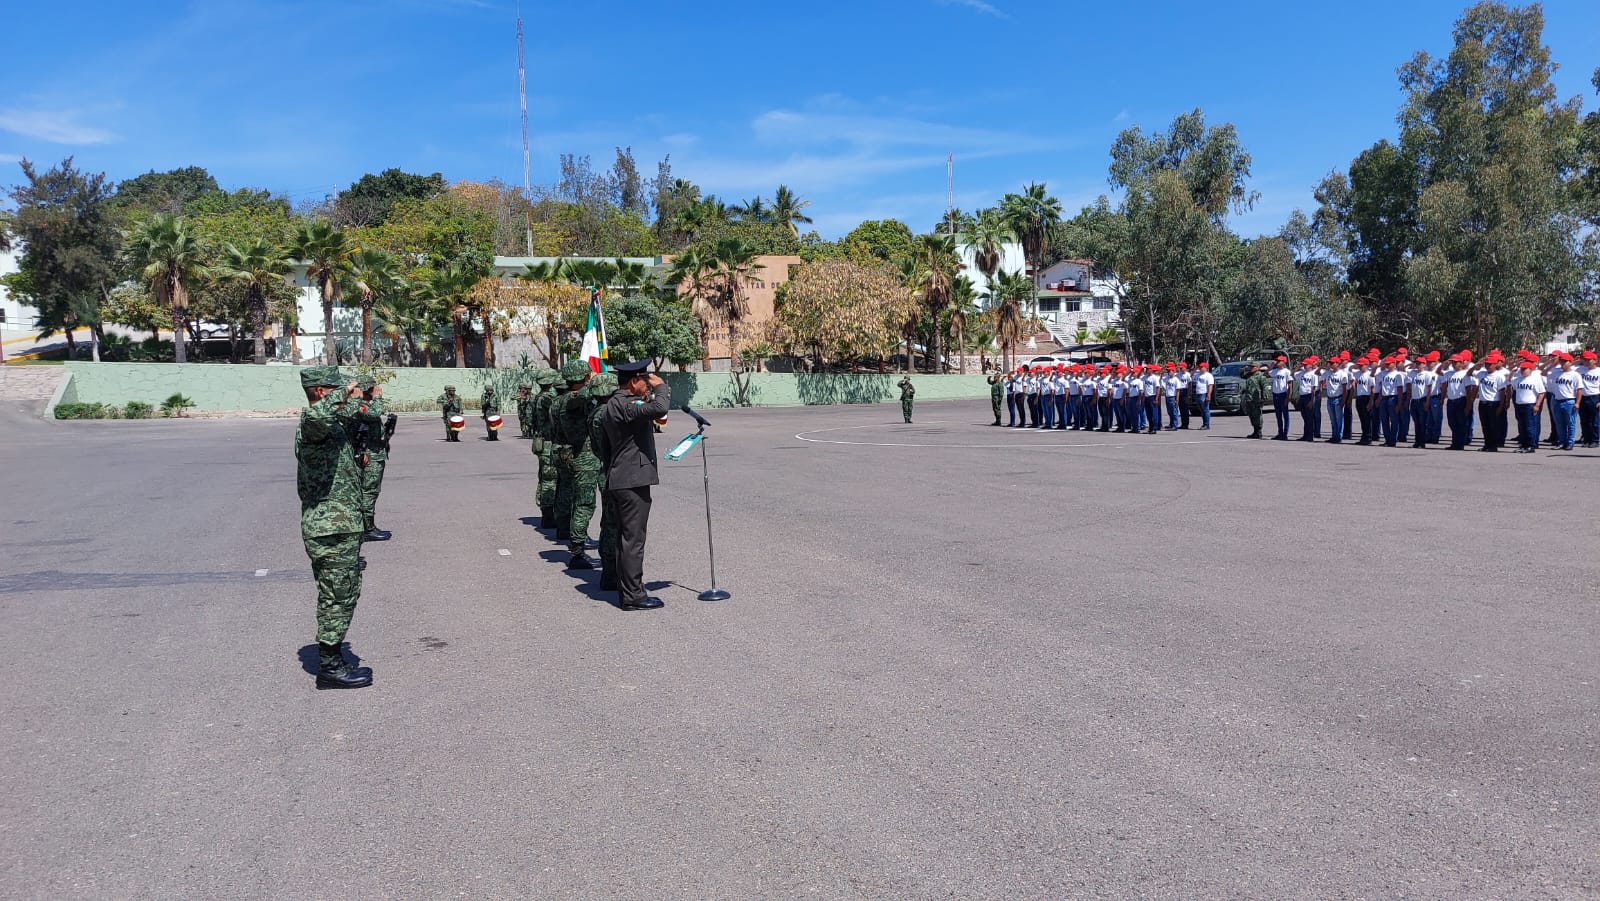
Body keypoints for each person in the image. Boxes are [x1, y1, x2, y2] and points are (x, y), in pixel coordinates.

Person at [296, 366, 379, 690]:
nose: (348, 396)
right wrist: (348, 393)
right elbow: (318, 418)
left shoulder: (335, 427)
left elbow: (367, 416)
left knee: (344, 594)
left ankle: (333, 659)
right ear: (320, 392)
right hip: (329, 528)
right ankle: (330, 667)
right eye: (337, 389)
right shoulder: (312, 423)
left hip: (340, 525)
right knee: (336, 596)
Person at [599, 360, 671, 611]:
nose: (648, 384)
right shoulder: (625, 405)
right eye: (644, 379)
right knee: (633, 539)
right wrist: (662, 387)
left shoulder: (614, 405)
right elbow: (660, 408)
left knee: (627, 539)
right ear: (633, 381)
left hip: (623, 478)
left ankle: (628, 590)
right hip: (631, 480)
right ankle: (633, 596)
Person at [561, 372, 613, 569]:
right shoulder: (570, 400)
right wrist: (597, 386)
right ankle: (577, 550)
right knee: (585, 504)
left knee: (603, 506)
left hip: (590, 457)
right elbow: (580, 397)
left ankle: (590, 549)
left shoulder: (565, 399)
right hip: (586, 457)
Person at [551, 360, 592, 541]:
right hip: (576, 452)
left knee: (564, 489)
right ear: (585, 377)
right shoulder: (571, 399)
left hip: (562, 449)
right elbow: (582, 395)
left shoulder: (556, 400)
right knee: (578, 497)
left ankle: (563, 527)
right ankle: (572, 534)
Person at [355, 375, 394, 542]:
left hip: (374, 453)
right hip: (369, 455)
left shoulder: (364, 405)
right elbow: (376, 412)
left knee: (371, 491)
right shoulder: (361, 407)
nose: (376, 390)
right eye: (373, 388)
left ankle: (368, 526)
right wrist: (378, 397)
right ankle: (367, 529)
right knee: (369, 491)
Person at [534, 368, 563, 528]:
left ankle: (548, 511)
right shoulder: (547, 397)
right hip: (549, 443)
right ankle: (548, 515)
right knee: (550, 480)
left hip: (544, 443)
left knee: (545, 478)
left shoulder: (539, 396)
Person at [1548, 351, 1583, 451]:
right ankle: (1561, 441)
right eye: (1561, 361)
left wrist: (1577, 403)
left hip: (1569, 401)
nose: (1562, 363)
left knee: (1570, 423)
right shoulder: (1556, 373)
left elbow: (1579, 390)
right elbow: (1544, 373)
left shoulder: (1575, 375)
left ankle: (1570, 442)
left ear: (1570, 362)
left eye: (1565, 361)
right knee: (1559, 424)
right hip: (1557, 400)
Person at [1511, 357, 1546, 453]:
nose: (1522, 370)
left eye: (1524, 369)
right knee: (1522, 426)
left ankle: (1531, 445)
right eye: (1521, 369)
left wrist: (1537, 405)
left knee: (1530, 426)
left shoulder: (1535, 379)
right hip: (1519, 405)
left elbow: (1541, 393)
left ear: (1530, 369)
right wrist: (1512, 372)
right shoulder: (1518, 379)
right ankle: (1523, 444)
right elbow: (1510, 383)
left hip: (1530, 405)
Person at [1476, 353, 1509, 452]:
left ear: (1495, 364)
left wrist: (1501, 405)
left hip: (1493, 403)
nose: (1487, 366)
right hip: (1483, 403)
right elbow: (1469, 373)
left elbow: (1502, 392)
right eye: (1486, 364)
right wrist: (1478, 363)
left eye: (1490, 364)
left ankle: (1493, 445)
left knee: (1493, 426)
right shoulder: (1482, 373)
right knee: (1485, 425)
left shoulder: (1499, 376)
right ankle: (1487, 444)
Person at [1408, 357, 1438, 449]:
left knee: (1422, 422)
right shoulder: (1413, 373)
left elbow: (1429, 389)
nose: (1418, 365)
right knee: (1416, 422)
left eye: (1420, 363)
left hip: (1422, 400)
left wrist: (1427, 401)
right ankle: (1417, 441)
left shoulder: (1427, 374)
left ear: (1424, 364)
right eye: (1417, 363)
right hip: (1414, 400)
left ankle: (1422, 442)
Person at [1323, 356, 1349, 444]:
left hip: (1338, 398)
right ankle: (1334, 435)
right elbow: (1318, 372)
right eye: (1330, 363)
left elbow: (1345, 389)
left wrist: (1343, 400)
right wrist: (1326, 365)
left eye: (1332, 363)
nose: (1330, 364)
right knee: (1332, 419)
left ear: (1337, 364)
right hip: (1330, 398)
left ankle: (1339, 436)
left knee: (1339, 419)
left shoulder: (1342, 374)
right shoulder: (1328, 373)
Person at [1295, 356, 1321, 441]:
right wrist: (1298, 367)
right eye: (1304, 365)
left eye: (1306, 365)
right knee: (1305, 417)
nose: (1304, 366)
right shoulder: (1302, 373)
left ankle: (1310, 435)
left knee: (1309, 417)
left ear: (1310, 365)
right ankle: (1305, 434)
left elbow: (1313, 388)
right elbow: (1292, 374)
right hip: (1302, 396)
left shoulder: (1314, 374)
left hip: (1309, 396)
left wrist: (1311, 400)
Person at [1579, 350, 1600, 448]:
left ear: (1595, 360)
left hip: (1594, 397)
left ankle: (1595, 440)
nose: (1586, 362)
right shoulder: (1580, 370)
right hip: (1582, 397)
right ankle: (1586, 439)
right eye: (1585, 360)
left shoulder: (1598, 372)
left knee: (1594, 420)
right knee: (1584, 420)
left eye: (1588, 360)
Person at [1241, 363, 1268, 438]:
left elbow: (1265, 388)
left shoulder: (1261, 377)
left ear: (1257, 368)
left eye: (1253, 367)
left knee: (1257, 416)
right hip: (1249, 399)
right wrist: (1243, 369)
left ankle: (1259, 431)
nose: (1251, 368)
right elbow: (1241, 375)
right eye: (1250, 367)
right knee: (1251, 415)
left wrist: (1264, 398)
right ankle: (1255, 431)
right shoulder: (1249, 375)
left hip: (1257, 400)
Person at [1269, 356, 1293, 440]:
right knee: (1278, 415)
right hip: (1276, 394)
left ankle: (1285, 433)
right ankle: (1280, 432)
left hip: (1283, 394)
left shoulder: (1287, 372)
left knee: (1285, 415)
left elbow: (1290, 385)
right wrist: (1271, 366)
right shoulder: (1275, 371)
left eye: (1279, 361)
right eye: (1277, 361)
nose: (1277, 362)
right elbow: (1265, 374)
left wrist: (1288, 397)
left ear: (1283, 362)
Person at [1191, 362, 1215, 431]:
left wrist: (1209, 394)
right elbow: (1191, 376)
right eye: (1200, 367)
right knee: (1201, 410)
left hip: (1204, 393)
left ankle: (1207, 424)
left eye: (1202, 367)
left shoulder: (1208, 375)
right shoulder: (1198, 375)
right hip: (1198, 393)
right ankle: (1204, 423)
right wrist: (1195, 369)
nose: (1200, 368)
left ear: (1206, 368)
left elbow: (1210, 385)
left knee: (1205, 409)